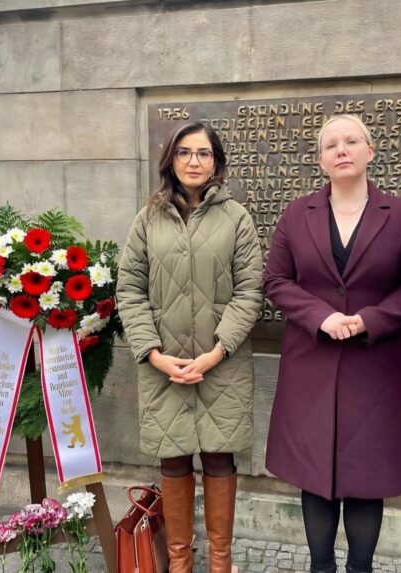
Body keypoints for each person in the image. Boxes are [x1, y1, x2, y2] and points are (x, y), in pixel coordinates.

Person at [264, 114, 401, 573]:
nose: (342, 149)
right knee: (314, 474)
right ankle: (320, 568)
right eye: (331, 144)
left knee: (365, 475)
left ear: (369, 151)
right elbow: (275, 279)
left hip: (372, 364)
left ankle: (360, 568)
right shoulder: (298, 213)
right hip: (310, 363)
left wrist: (369, 320)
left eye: (351, 141)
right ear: (321, 160)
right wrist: (323, 316)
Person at [117, 121, 263, 573]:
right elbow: (130, 290)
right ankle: (179, 563)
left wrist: (218, 351)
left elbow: (250, 291)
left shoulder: (236, 217)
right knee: (174, 457)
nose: (194, 161)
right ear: (171, 161)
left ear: (216, 162)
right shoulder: (148, 219)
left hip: (222, 364)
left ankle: (220, 563)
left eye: (203, 153)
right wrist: (155, 354)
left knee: (220, 457)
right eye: (184, 152)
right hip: (164, 366)